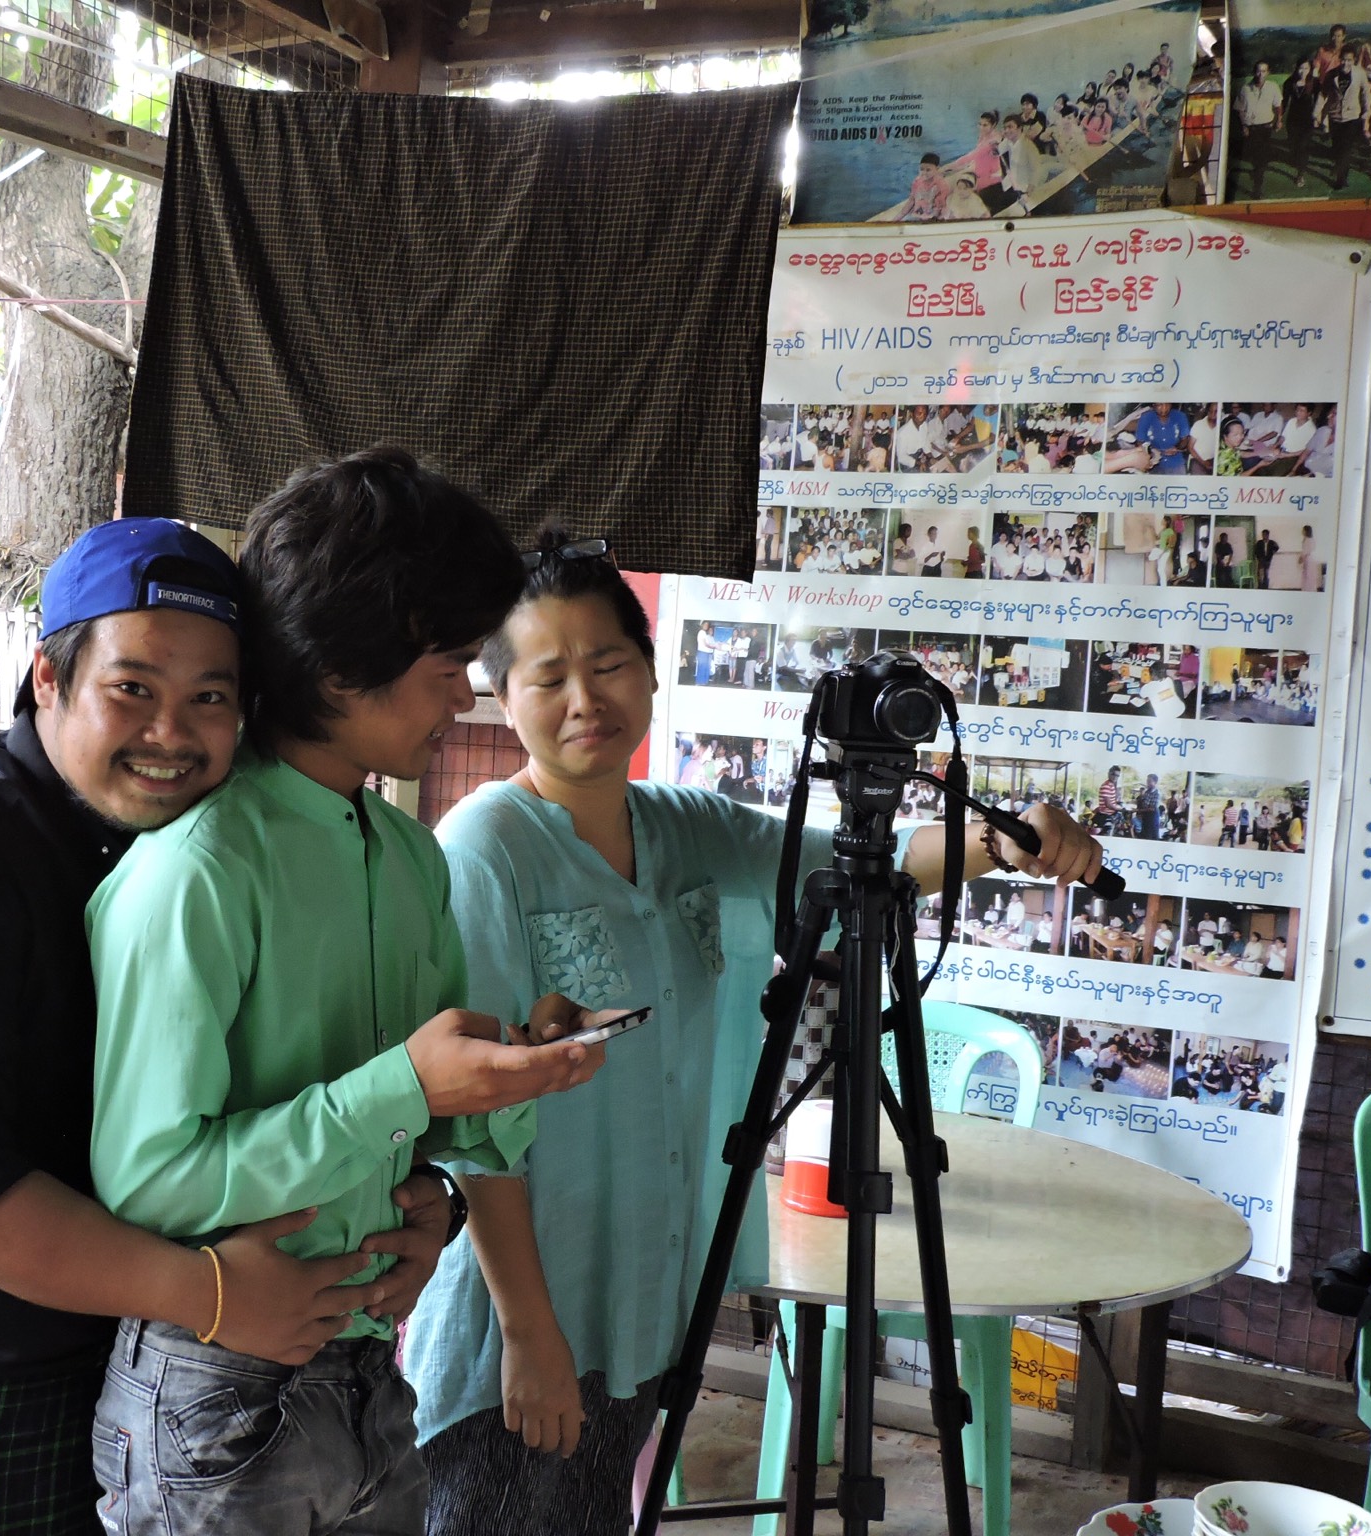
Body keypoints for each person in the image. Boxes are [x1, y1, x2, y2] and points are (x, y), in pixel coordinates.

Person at [0, 519, 457, 1536]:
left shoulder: (207, 851)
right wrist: (210, 1294)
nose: (170, 733)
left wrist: (430, 1201)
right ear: (48, 677)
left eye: (209, 697)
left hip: (116, 1351)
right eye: (132, 689)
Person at [400, 529, 1104, 1536]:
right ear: (501, 695)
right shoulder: (485, 845)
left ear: (648, 672)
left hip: (646, 1297)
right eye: (548, 677)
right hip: (527, 1315)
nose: (584, 699)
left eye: (607, 664)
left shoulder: (685, 825)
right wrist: (528, 1333)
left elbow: (858, 862)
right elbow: (476, 1122)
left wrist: (1002, 838)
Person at [84, 450, 607, 1536]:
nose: (464, 693)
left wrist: (504, 1077)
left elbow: (424, 1127)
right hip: (216, 1389)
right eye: (447, 663)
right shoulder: (199, 871)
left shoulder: (407, 856)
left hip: (369, 1369)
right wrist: (405, 1088)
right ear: (338, 670)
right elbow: (150, 1181)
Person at [1320, 48, 1371, 190]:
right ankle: (1340, 168)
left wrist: (1366, 113)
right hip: (1335, 117)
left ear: (1354, 60)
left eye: (1349, 60)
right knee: (1337, 149)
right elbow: (1323, 95)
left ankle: (1341, 179)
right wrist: (1318, 115)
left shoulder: (1360, 73)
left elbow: (1366, 94)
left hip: (1352, 117)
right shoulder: (1331, 74)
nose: (1345, 63)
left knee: (1346, 149)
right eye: (1343, 60)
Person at [1235, 59, 1283, 199]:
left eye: (1263, 71)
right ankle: (1257, 176)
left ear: (1268, 73)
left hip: (1266, 128)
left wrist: (1279, 120)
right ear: (1254, 72)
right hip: (1252, 128)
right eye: (1258, 71)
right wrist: (1244, 126)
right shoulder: (1245, 89)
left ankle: (1257, 187)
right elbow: (1239, 109)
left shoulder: (1273, 87)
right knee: (1256, 158)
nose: (1260, 74)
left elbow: (1278, 105)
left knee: (1262, 159)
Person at [1283, 59, 1321, 188]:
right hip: (1293, 119)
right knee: (1294, 145)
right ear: (1296, 68)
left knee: (1303, 146)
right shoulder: (1289, 82)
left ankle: (1300, 174)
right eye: (1300, 68)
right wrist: (1278, 118)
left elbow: (1319, 100)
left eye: (1306, 68)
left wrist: (1317, 116)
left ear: (1310, 69)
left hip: (1307, 119)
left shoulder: (1314, 82)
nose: (1303, 71)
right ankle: (1296, 160)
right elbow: (1284, 102)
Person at [1138, 400, 1192, 475]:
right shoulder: (1145, 418)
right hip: (1152, 464)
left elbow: (1185, 440)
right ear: (1154, 405)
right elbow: (1140, 442)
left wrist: (1176, 447)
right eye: (1160, 404)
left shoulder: (1180, 416)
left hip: (1175, 463)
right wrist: (1151, 452)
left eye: (1167, 404)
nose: (1164, 408)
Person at [905, 152, 949, 221]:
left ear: (937, 169)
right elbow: (911, 200)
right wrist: (897, 218)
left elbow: (943, 205)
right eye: (921, 169)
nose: (924, 173)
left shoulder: (941, 184)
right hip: (919, 213)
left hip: (933, 215)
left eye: (928, 170)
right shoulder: (917, 181)